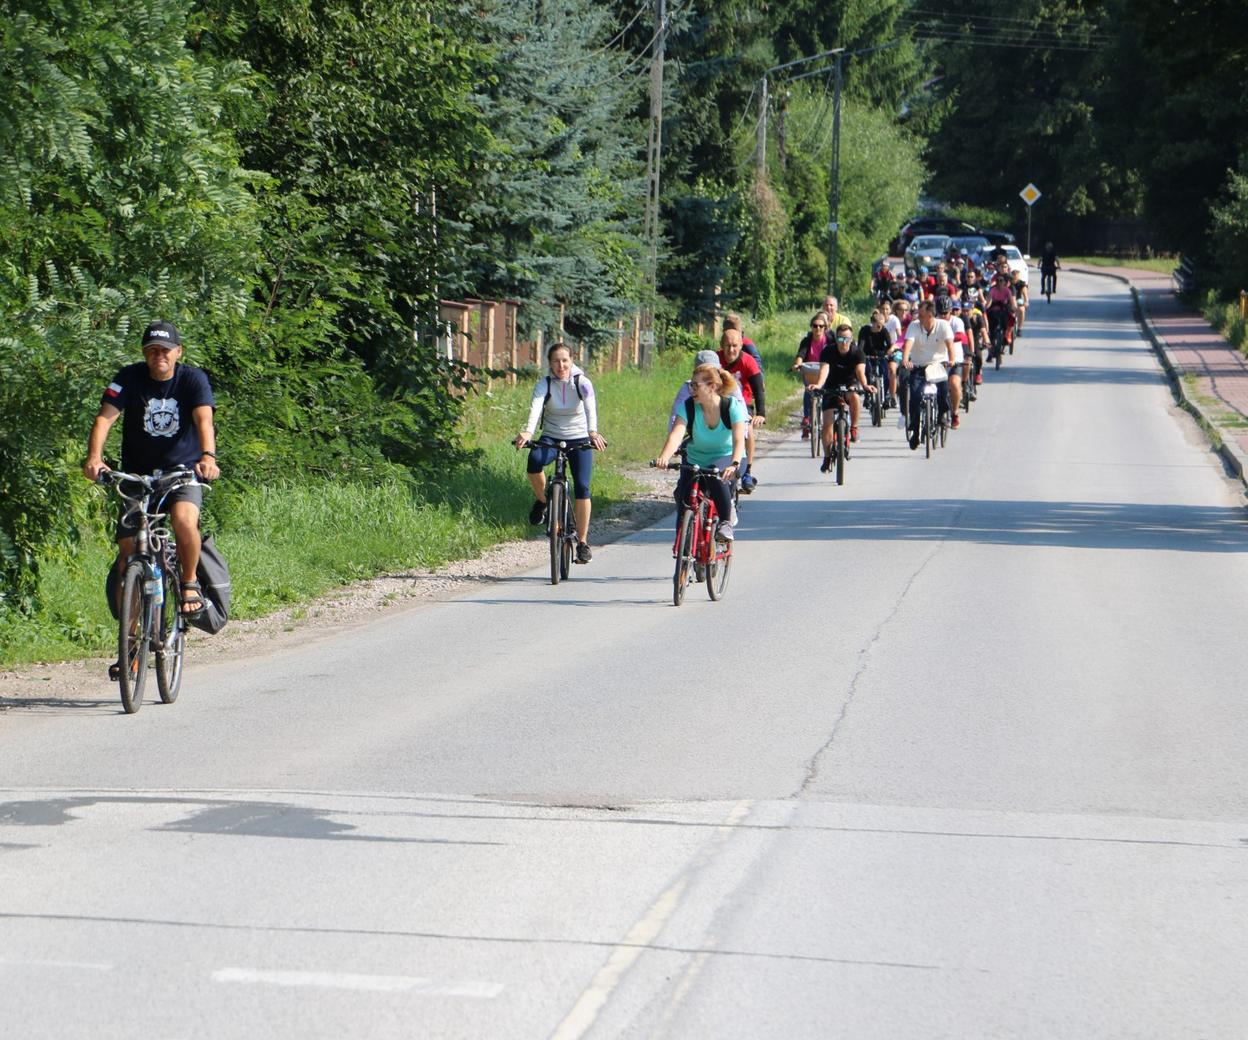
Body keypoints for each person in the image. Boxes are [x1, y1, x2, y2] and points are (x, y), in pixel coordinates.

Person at [83, 320, 220, 638]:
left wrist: (208, 457)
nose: (160, 355)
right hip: (136, 475)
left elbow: (204, 421)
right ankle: (130, 640)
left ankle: (188, 583)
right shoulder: (128, 378)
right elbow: (105, 418)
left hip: (181, 473)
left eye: (166, 350)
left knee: (184, 520)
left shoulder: (192, 379)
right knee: (128, 551)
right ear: (145, 353)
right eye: (152, 350)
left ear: (178, 352)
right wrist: (94, 458)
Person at [514, 342, 607, 564]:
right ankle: (543, 501)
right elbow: (536, 406)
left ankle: (582, 543)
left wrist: (593, 432)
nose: (561, 365)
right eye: (556, 361)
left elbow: (590, 407)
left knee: (583, 487)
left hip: (580, 437)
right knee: (534, 461)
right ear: (550, 363)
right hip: (552, 436)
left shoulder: (581, 382)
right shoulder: (544, 384)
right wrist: (528, 431)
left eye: (565, 360)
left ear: (572, 360)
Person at [655, 364, 747, 542]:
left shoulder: (731, 406)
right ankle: (683, 546)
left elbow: (738, 440)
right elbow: (676, 435)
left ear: (712, 386)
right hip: (696, 459)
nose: (692, 390)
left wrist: (734, 464)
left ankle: (726, 523)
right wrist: (664, 457)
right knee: (683, 495)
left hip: (729, 457)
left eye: (696, 386)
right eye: (691, 385)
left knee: (715, 475)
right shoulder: (688, 407)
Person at [812, 322, 875, 467]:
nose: (843, 343)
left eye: (847, 339)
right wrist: (819, 385)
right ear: (836, 340)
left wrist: (865, 385)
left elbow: (860, 372)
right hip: (831, 386)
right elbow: (824, 370)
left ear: (851, 339)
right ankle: (827, 457)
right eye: (840, 339)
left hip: (849, 384)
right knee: (827, 423)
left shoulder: (857, 352)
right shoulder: (828, 351)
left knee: (854, 397)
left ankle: (853, 428)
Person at [902, 299, 954, 450]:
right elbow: (908, 344)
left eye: (922, 315)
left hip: (938, 365)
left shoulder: (943, 325)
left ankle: (942, 414)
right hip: (918, 366)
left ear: (931, 316)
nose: (919, 318)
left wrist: (951, 360)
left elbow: (950, 343)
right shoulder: (914, 326)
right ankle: (915, 431)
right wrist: (905, 360)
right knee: (916, 395)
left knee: (943, 390)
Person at [718, 328, 765, 492]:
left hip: (743, 405)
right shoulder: (715, 360)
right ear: (721, 345)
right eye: (727, 345)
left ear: (741, 346)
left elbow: (758, 389)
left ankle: (747, 472)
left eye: (735, 346)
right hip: (717, 403)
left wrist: (761, 414)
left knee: (748, 430)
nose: (731, 350)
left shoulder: (748, 361)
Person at [791, 313, 830, 437]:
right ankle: (807, 417)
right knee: (808, 390)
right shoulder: (807, 341)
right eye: (815, 326)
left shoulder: (830, 340)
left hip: (827, 370)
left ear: (825, 327)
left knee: (829, 393)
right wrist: (798, 365)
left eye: (821, 326)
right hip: (810, 372)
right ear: (811, 327)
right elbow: (801, 355)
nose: (818, 329)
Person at [857, 309, 893, 406]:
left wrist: (888, 352)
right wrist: (861, 356)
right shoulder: (865, 330)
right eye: (878, 325)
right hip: (867, 355)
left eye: (882, 325)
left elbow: (889, 345)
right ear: (872, 323)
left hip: (880, 356)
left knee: (885, 375)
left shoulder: (884, 331)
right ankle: (867, 396)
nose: (880, 327)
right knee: (867, 372)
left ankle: (885, 396)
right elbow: (861, 345)